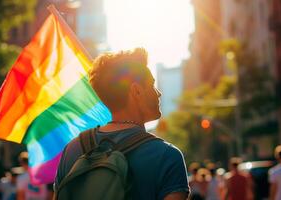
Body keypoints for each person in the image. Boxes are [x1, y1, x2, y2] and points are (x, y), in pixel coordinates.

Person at [54, 48, 190, 199]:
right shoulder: (167, 156)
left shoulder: (73, 149)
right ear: (136, 91)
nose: (158, 93)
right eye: (152, 85)